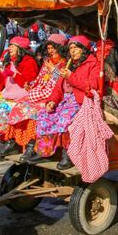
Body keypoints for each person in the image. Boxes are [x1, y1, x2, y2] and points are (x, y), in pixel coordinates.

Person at [34, 35, 99, 169]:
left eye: (76, 48)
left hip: (81, 100)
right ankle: (45, 151)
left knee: (65, 119)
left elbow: (92, 87)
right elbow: (57, 86)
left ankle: (68, 153)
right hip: (63, 99)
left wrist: (68, 75)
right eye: (71, 48)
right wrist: (52, 101)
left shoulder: (93, 64)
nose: (73, 51)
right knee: (44, 116)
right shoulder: (63, 63)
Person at [7, 33, 68, 163]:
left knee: (35, 114)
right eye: (49, 48)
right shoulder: (47, 63)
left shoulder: (64, 63)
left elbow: (61, 82)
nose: (51, 51)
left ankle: (33, 147)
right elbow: (39, 79)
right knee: (18, 107)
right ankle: (14, 142)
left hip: (54, 96)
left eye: (53, 48)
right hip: (41, 94)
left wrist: (53, 71)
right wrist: (32, 86)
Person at [0, 36, 39, 156]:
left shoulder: (29, 61)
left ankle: (5, 141)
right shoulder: (9, 63)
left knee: (4, 110)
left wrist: (14, 74)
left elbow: (30, 82)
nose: (9, 47)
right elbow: (1, 83)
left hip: (22, 95)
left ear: (20, 48)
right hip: (8, 94)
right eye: (10, 45)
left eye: (13, 45)